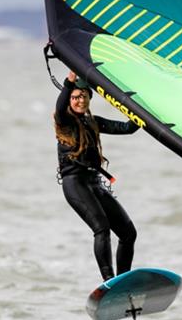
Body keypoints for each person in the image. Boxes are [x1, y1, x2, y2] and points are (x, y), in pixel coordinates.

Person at [54, 71, 140, 281]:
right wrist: (70, 80)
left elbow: (128, 128)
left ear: (89, 99)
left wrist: (143, 109)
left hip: (94, 183)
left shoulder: (94, 122)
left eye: (84, 96)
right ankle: (109, 281)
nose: (80, 100)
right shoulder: (64, 121)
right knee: (101, 229)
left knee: (128, 233)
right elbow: (60, 105)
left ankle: (123, 280)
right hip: (75, 184)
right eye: (75, 97)